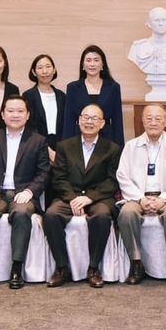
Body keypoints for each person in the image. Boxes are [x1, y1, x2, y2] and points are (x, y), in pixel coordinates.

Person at [0, 95, 50, 290]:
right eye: (10, 111)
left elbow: (44, 172)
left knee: (22, 213)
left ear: (27, 115)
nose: (15, 115)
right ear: (2, 114)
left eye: (20, 111)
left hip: (23, 193)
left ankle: (17, 268)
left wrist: (30, 191)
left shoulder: (38, 141)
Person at [43, 104, 123, 288]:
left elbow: (112, 181)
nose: (89, 121)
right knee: (51, 215)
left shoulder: (112, 149)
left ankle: (93, 268)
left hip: (98, 198)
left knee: (102, 216)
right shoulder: (64, 146)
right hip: (69, 196)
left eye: (94, 118)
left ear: (102, 124)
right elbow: (59, 177)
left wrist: (89, 198)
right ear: (79, 120)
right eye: (85, 117)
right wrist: (72, 198)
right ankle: (62, 268)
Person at [116, 104, 166, 288]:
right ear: (142, 121)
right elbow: (122, 176)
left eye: (158, 119)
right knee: (127, 213)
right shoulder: (131, 146)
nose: (153, 122)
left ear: (165, 122)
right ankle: (136, 263)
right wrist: (140, 198)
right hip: (137, 197)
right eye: (149, 118)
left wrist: (163, 199)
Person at [61, 45, 124, 145]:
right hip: (79, 140)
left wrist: (120, 148)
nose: (92, 64)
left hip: (106, 140)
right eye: (88, 60)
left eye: (96, 60)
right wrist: (65, 148)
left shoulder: (113, 87)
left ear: (102, 65)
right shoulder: (73, 88)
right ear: (83, 65)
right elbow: (69, 121)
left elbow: (117, 122)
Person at [23, 54, 66, 153]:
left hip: (60, 147)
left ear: (54, 70)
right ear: (34, 72)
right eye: (40, 68)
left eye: (48, 66)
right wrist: (48, 151)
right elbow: (29, 126)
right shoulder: (28, 96)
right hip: (36, 147)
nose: (45, 71)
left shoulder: (62, 96)